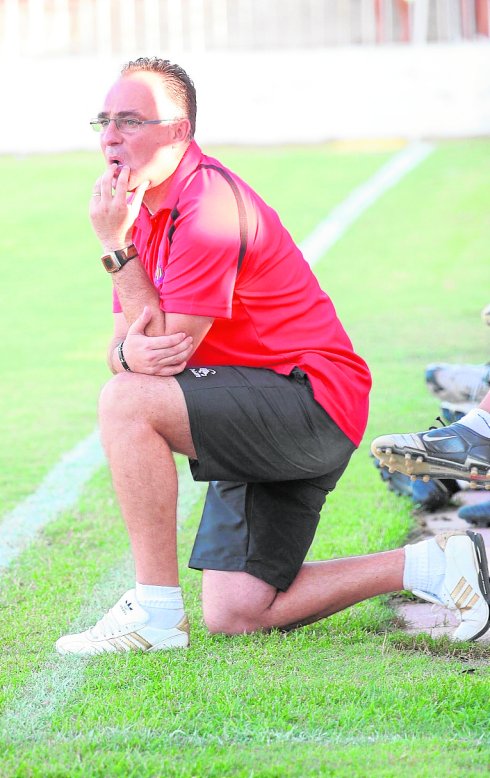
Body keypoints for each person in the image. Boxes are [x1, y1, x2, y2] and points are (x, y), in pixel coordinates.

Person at [56, 57, 490, 655]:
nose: (109, 136)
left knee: (126, 403)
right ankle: (442, 565)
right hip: (256, 397)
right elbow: (124, 348)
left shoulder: (204, 204)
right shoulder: (143, 213)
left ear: (179, 131)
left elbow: (157, 356)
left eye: (130, 120)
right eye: (104, 121)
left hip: (310, 402)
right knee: (238, 611)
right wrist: (125, 265)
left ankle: (154, 609)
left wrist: (114, 249)